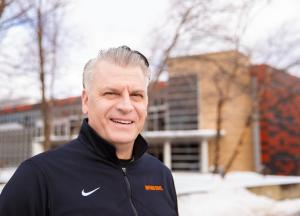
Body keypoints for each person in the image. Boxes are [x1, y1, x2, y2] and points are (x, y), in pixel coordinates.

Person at [0, 46, 178, 216]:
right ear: (86, 101)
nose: (126, 106)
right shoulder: (38, 176)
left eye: (136, 95)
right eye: (111, 93)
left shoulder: (160, 175)